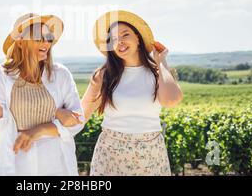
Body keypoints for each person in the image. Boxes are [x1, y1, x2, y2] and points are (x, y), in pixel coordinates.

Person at [63, 10, 183, 176]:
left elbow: (171, 100)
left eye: (125, 35)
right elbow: (81, 114)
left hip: (150, 155)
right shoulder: (104, 75)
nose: (119, 42)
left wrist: (161, 61)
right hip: (110, 155)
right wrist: (55, 118)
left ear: (138, 39)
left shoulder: (158, 73)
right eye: (113, 39)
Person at [0, 13, 84, 175]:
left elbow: (77, 121)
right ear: (20, 42)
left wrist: (36, 131)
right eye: (38, 37)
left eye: (49, 38)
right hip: (16, 157)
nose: (46, 43)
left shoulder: (61, 74)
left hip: (55, 160)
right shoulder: (1, 74)